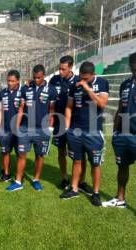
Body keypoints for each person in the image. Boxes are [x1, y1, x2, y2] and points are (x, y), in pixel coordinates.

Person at [60, 61, 109, 207]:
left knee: (95, 163)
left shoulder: (101, 83)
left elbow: (102, 104)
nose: (82, 80)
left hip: (93, 131)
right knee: (76, 160)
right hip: (75, 130)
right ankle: (74, 188)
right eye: (81, 77)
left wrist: (87, 88)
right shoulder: (74, 85)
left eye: (86, 78)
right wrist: (67, 128)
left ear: (93, 74)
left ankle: (95, 192)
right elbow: (69, 107)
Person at [6, 64, 57, 191]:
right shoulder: (26, 88)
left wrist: (50, 126)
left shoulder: (51, 89)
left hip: (42, 129)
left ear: (44, 76)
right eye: (34, 77)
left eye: (39, 78)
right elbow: (21, 108)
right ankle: (18, 182)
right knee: (22, 154)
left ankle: (36, 179)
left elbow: (52, 110)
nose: (36, 80)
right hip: (25, 128)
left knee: (39, 156)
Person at [49, 56, 91, 193]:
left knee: (79, 154)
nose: (60, 71)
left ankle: (81, 181)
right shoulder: (54, 80)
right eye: (59, 68)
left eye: (63, 69)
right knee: (61, 151)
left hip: (75, 124)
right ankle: (64, 178)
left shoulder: (78, 81)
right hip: (59, 123)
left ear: (71, 67)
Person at [102, 52, 136, 208]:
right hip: (122, 134)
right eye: (132, 63)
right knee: (122, 166)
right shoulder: (125, 84)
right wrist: (115, 131)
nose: (133, 66)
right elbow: (120, 108)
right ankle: (120, 199)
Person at [0, 70, 21, 182]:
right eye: (8, 81)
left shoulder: (23, 93)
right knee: (5, 152)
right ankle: (6, 173)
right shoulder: (2, 93)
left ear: (18, 81)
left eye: (12, 81)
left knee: (20, 154)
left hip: (19, 130)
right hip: (5, 129)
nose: (10, 83)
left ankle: (19, 175)